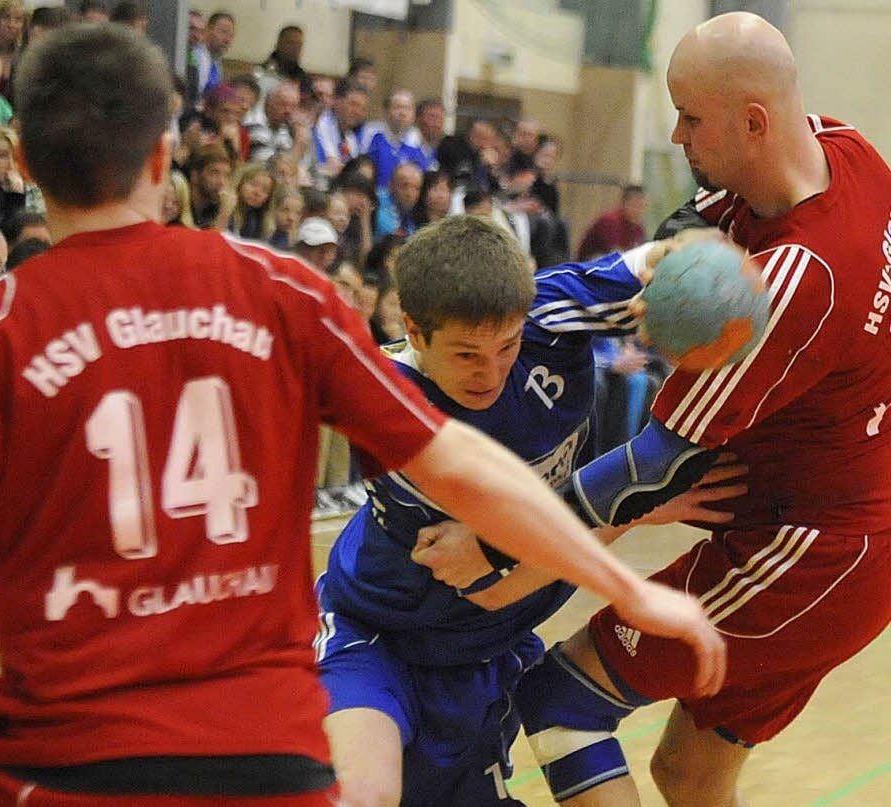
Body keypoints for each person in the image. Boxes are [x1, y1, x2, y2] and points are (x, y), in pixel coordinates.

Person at [0, 22, 725, 807]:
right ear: (164, 156)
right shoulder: (281, 293)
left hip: (71, 759)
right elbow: (464, 471)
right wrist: (626, 586)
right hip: (264, 749)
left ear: (27, 162)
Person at [417, 12, 891, 807]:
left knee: (562, 702)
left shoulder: (796, 280)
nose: (675, 135)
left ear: (753, 121)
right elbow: (691, 229)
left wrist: (496, 539)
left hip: (809, 551)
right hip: (839, 529)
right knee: (689, 774)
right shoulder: (845, 148)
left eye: (690, 116)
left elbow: (650, 467)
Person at [316, 215, 743, 807]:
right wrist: (639, 505)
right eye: (466, 354)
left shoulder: (554, 307)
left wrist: (698, 269)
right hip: (382, 634)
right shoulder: (386, 404)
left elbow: (673, 251)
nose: (490, 372)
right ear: (413, 330)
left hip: (487, 650)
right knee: (364, 795)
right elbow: (502, 577)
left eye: (507, 347)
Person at [577, 184, 647, 261]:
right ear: (624, 204)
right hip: (591, 265)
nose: (638, 211)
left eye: (641, 206)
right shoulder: (610, 221)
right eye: (634, 206)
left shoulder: (637, 228)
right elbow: (614, 254)